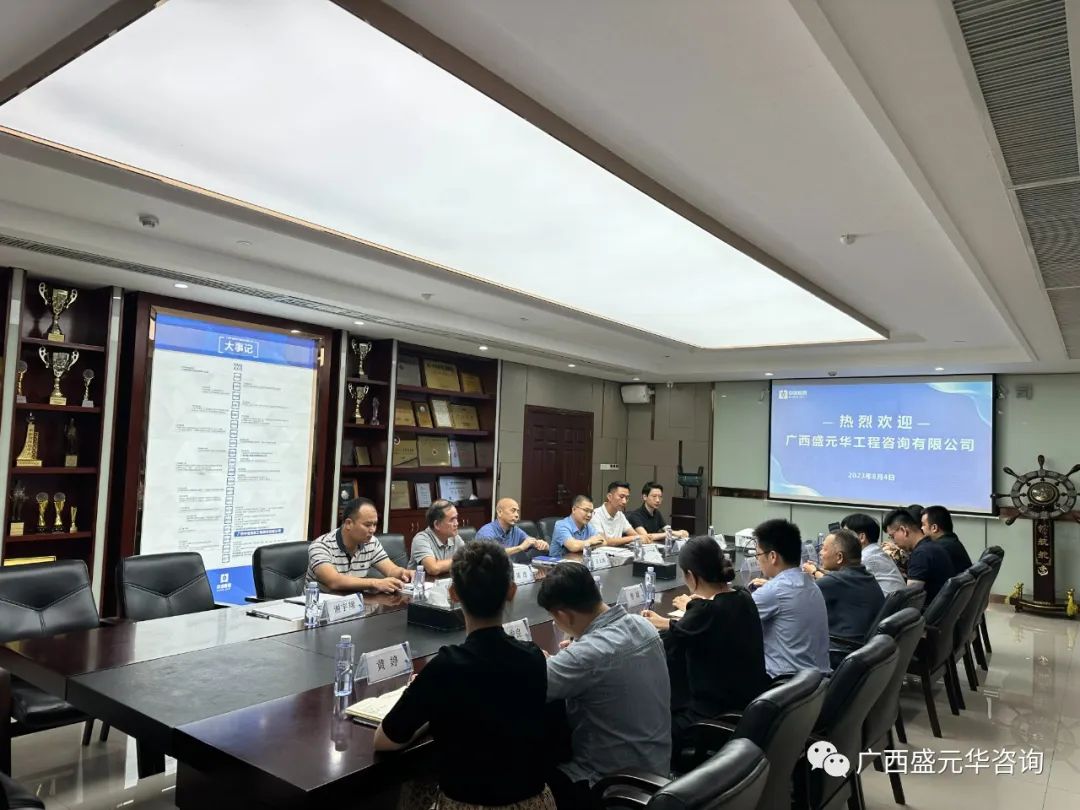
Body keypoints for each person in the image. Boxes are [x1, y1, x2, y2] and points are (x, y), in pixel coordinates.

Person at [375, 541, 554, 809]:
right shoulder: (534, 657)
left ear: (453, 594)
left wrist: (428, 701)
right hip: (534, 803)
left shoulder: (446, 667)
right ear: (512, 591)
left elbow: (385, 740)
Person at [539, 563, 670, 809]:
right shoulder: (643, 625)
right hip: (656, 770)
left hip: (608, 785)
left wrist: (544, 660)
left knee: (530, 773)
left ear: (564, 615)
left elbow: (527, 686)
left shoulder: (586, 655)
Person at [640, 536, 769, 749]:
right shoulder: (742, 595)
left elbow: (658, 648)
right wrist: (669, 621)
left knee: (644, 725)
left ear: (691, 576)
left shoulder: (706, 612)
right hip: (745, 706)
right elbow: (695, 628)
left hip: (709, 717)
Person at [749, 518, 830, 678]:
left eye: (758, 554)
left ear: (773, 556)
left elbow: (729, 620)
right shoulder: (811, 584)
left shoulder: (773, 592)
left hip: (785, 685)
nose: (757, 560)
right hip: (816, 682)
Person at [306, 497, 413, 593]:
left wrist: (403, 573)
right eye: (367, 525)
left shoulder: (371, 542)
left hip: (356, 604)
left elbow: (390, 570)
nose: (372, 530)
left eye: (375, 524)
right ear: (348, 524)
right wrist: (375, 583)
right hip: (318, 606)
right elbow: (334, 581)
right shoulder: (321, 546)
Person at [809, 529, 885, 646]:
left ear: (839, 557)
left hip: (840, 649)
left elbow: (797, 603)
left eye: (824, 549)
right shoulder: (866, 576)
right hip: (865, 648)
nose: (820, 553)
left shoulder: (834, 582)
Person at [884, 508, 953, 604]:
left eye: (892, 536)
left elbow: (910, 599)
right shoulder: (934, 546)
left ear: (903, 530)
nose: (893, 542)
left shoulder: (921, 554)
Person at [831, 513, 906, 595]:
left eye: (846, 535)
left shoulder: (867, 557)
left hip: (887, 602)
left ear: (861, 537)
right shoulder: (875, 552)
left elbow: (838, 582)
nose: (842, 540)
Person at [476, 498, 549, 562]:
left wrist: (541, 544)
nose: (517, 515)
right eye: (513, 511)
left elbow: (529, 541)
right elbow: (491, 554)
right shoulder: (486, 532)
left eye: (517, 511)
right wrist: (520, 547)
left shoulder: (515, 530)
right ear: (500, 512)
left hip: (510, 569)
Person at [411, 500, 466, 576]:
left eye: (456, 518)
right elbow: (433, 568)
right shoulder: (421, 539)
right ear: (437, 524)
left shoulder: (455, 537)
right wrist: (461, 560)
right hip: (424, 583)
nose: (456, 523)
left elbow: (468, 559)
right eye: (452, 520)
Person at [922, 505, 973, 574]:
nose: (921, 528)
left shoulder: (938, 549)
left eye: (923, 524)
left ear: (934, 528)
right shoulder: (952, 541)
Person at [588, 481, 641, 546]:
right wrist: (632, 538)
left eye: (627, 498)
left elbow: (634, 535)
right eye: (621, 497)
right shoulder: (595, 514)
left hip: (618, 552)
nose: (624, 502)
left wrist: (641, 537)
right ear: (609, 497)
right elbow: (602, 541)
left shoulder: (620, 514)